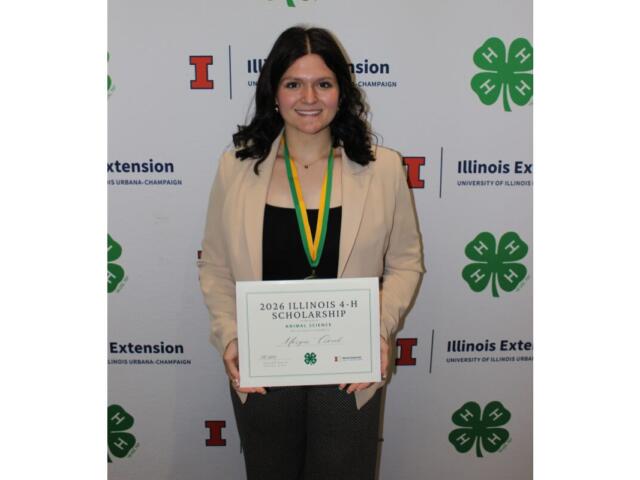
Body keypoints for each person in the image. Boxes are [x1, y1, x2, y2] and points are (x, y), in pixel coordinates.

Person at [199, 25, 423, 480]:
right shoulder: (235, 168)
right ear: (274, 92)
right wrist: (230, 336)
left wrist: (377, 332)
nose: (309, 97)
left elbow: (405, 263)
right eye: (293, 83)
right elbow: (216, 266)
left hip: (348, 372)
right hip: (262, 368)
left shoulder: (382, 170)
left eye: (323, 83)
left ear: (342, 91)